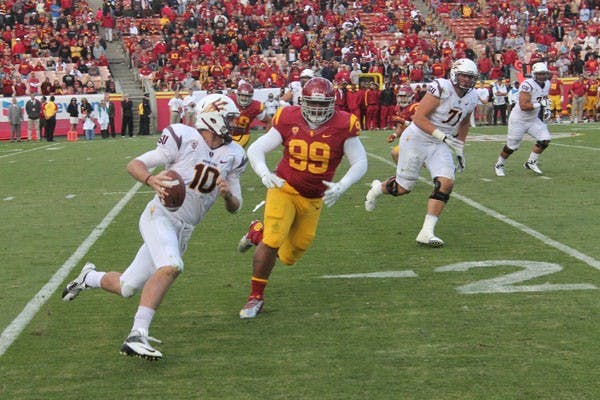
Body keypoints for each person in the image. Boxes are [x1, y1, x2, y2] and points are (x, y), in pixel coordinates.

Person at [61, 94, 247, 360]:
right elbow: (134, 164)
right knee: (171, 266)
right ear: (212, 116)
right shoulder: (183, 136)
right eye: (228, 118)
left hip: (185, 229)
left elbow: (236, 207)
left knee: (126, 286)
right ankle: (137, 334)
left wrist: (228, 195)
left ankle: (87, 278)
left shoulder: (234, 154)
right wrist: (150, 180)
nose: (232, 124)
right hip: (160, 215)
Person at [236, 77, 368, 319]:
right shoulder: (288, 117)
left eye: (322, 104)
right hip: (284, 187)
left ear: (332, 103)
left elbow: (360, 161)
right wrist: (264, 172)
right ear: (302, 101)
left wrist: (343, 185)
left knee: (290, 255)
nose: (317, 110)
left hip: (313, 198)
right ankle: (255, 297)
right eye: (312, 104)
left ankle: (256, 231)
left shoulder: (343, 124)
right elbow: (257, 148)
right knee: (274, 240)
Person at [364, 58, 480, 247]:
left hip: (439, 142)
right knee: (402, 189)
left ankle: (427, 232)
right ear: (454, 74)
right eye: (464, 76)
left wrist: (460, 146)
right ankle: (377, 189)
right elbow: (419, 118)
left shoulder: (473, 96)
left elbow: (465, 122)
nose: (467, 80)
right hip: (417, 138)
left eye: (471, 77)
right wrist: (443, 137)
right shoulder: (442, 87)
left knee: (446, 182)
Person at [494, 62, 552, 177]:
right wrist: (540, 104)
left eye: (543, 74)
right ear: (534, 74)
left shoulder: (547, 84)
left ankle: (531, 162)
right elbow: (524, 106)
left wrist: (547, 109)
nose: (541, 76)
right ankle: (499, 164)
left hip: (532, 119)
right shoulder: (527, 84)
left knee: (545, 139)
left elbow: (544, 98)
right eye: (539, 74)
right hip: (518, 120)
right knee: (512, 146)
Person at [229, 82, 272, 148]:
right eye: (242, 95)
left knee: (233, 152)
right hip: (226, 133)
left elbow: (269, 121)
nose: (244, 98)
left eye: (247, 96)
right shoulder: (229, 101)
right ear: (237, 94)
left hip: (242, 135)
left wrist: (267, 138)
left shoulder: (255, 106)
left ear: (251, 96)